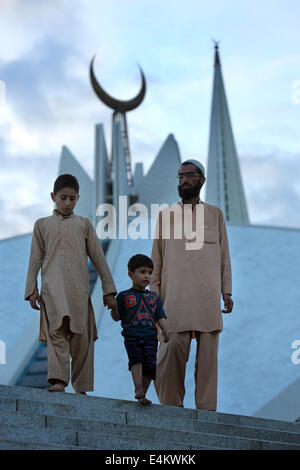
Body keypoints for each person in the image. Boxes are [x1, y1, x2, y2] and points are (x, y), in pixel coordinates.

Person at [150, 159, 233, 411]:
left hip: (207, 300)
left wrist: (226, 290)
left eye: (190, 175)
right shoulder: (166, 216)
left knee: (208, 362)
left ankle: (206, 412)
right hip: (173, 301)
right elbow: (157, 262)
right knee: (169, 356)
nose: (184, 180)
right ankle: (172, 408)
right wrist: (154, 297)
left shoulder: (215, 215)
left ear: (202, 180)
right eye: (180, 176)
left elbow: (224, 256)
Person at [24, 174, 117, 394]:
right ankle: (59, 380)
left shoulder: (84, 224)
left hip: (78, 290)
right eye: (63, 197)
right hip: (52, 290)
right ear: (53, 197)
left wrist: (108, 290)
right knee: (56, 332)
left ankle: (81, 385)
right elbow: (35, 258)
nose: (67, 203)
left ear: (78, 198)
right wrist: (31, 289)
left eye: (72, 198)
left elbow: (99, 259)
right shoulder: (42, 225)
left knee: (82, 337)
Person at [110, 254, 169, 405]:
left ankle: (142, 393)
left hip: (151, 337)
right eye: (142, 272)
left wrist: (165, 330)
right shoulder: (124, 296)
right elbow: (116, 317)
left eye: (150, 272)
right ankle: (138, 388)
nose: (147, 276)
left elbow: (160, 316)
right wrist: (113, 308)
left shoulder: (154, 297)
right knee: (136, 359)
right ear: (131, 274)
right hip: (132, 336)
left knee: (150, 366)